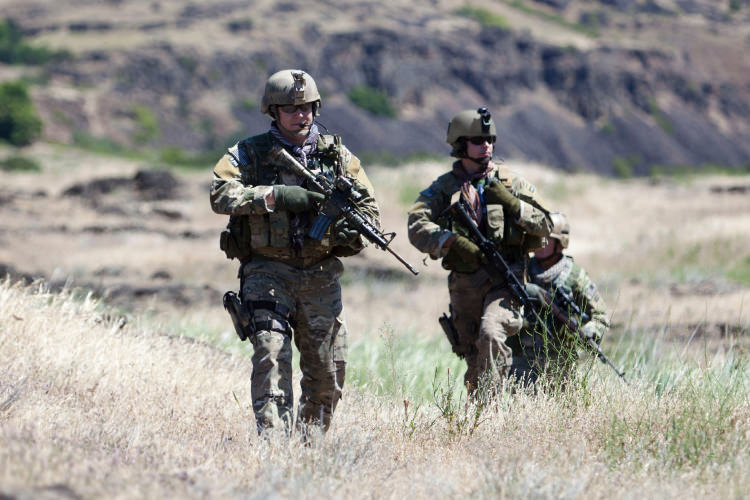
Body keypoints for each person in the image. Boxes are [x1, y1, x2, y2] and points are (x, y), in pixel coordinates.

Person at [210, 69, 381, 436]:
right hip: (267, 273)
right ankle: (274, 451)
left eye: (306, 108)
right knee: (271, 358)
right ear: (273, 111)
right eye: (290, 109)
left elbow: (370, 211)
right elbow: (220, 194)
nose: (300, 116)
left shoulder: (338, 157)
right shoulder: (249, 153)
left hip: (320, 275)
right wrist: (275, 196)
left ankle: (308, 448)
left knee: (327, 375)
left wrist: (349, 227)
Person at [407, 107, 552, 393]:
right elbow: (416, 223)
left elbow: (546, 224)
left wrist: (513, 204)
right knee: (474, 357)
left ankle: (492, 410)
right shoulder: (445, 187)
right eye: (477, 140)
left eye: (489, 139)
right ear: (461, 145)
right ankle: (480, 422)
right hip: (465, 285)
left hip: (505, 280)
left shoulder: (511, 183)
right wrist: (450, 240)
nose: (486, 145)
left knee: (492, 333)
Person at [507, 211, 610, 386]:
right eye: (537, 237)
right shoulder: (523, 271)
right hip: (524, 359)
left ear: (560, 243)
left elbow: (601, 315)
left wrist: (589, 332)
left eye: (546, 239)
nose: (540, 243)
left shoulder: (574, 276)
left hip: (560, 362)